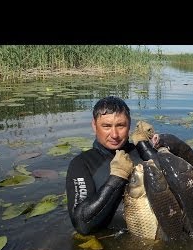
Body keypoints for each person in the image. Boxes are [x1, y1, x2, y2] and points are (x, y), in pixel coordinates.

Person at [65, 96, 156, 235]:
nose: (114, 134)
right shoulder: (82, 163)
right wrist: (117, 178)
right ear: (94, 125)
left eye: (121, 125)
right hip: (116, 243)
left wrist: (154, 148)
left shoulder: (141, 151)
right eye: (106, 126)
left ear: (129, 125)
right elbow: (81, 224)